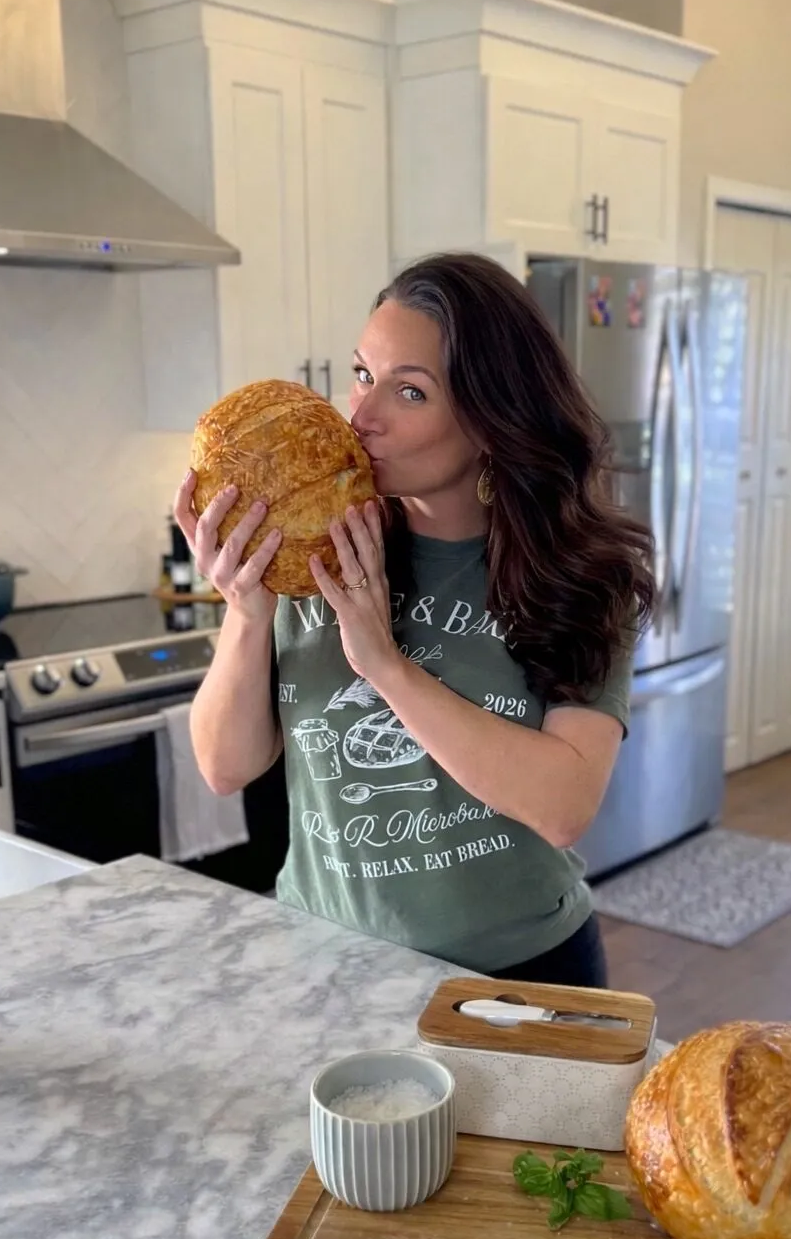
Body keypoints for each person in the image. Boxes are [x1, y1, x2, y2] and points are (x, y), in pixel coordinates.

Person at [174, 253, 656, 988]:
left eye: (410, 392)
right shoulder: (314, 549)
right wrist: (247, 612)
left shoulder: (580, 574)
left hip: (517, 982)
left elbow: (563, 806)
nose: (361, 417)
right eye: (363, 375)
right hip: (327, 967)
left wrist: (386, 667)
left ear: (492, 417)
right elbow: (224, 766)